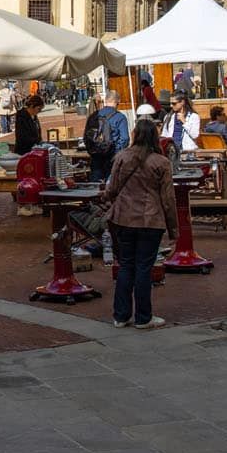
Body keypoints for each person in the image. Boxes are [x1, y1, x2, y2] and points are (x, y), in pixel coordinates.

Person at [99, 117, 177, 330]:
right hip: (151, 220)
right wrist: (173, 229)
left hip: (123, 218)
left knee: (126, 265)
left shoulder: (122, 157)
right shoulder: (161, 163)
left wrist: (105, 198)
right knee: (144, 267)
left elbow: (112, 188)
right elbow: (168, 199)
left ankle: (121, 315)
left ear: (134, 135)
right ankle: (143, 316)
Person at [85, 90, 130, 183]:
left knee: (95, 188)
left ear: (106, 100)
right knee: (111, 189)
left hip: (96, 157)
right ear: (118, 102)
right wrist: (116, 152)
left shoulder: (94, 116)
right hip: (112, 158)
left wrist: (94, 151)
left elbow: (86, 137)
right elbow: (125, 139)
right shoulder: (120, 117)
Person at [162, 93, 200, 163]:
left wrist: (184, 122)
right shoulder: (168, 117)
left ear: (182, 102)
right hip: (172, 154)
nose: (171, 106)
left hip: (188, 153)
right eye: (170, 103)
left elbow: (195, 135)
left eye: (174, 103)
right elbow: (164, 136)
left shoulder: (193, 117)